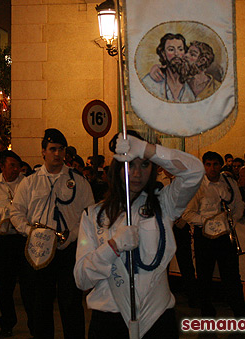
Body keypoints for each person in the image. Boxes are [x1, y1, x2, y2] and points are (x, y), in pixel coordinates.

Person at [75, 131, 204, 338]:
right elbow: (82, 279)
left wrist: (147, 149)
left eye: (144, 165)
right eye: (129, 165)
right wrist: (112, 247)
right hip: (109, 322)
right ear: (117, 169)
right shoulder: (93, 216)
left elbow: (195, 172)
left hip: (157, 320)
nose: (136, 174)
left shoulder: (165, 205)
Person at [9, 128, 94, 339]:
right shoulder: (29, 182)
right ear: (43, 152)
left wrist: (71, 236)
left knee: (71, 304)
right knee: (40, 305)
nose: (57, 154)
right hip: (39, 251)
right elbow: (16, 212)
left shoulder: (79, 182)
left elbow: (89, 213)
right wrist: (31, 232)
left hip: (68, 250)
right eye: (53, 149)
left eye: (61, 149)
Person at [0, 150, 35, 338]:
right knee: (4, 286)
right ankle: (7, 323)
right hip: (1, 241)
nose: (16, 169)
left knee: (28, 285)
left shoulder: (27, 183)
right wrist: (3, 212)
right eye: (12, 165)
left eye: (18, 166)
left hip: (23, 238)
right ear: (2, 166)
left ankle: (35, 323)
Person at [183, 151, 245, 317]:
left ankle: (240, 313)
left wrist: (230, 220)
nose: (212, 168)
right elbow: (188, 214)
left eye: (216, 164)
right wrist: (208, 221)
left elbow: (239, 204)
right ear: (204, 166)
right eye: (208, 164)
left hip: (226, 236)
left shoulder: (229, 182)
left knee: (232, 276)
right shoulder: (197, 185)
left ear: (221, 165)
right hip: (204, 237)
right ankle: (207, 314)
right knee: (204, 276)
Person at [141, 33, 196, 102]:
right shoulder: (150, 82)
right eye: (171, 50)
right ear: (163, 54)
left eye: (180, 49)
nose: (176, 53)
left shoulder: (190, 84)